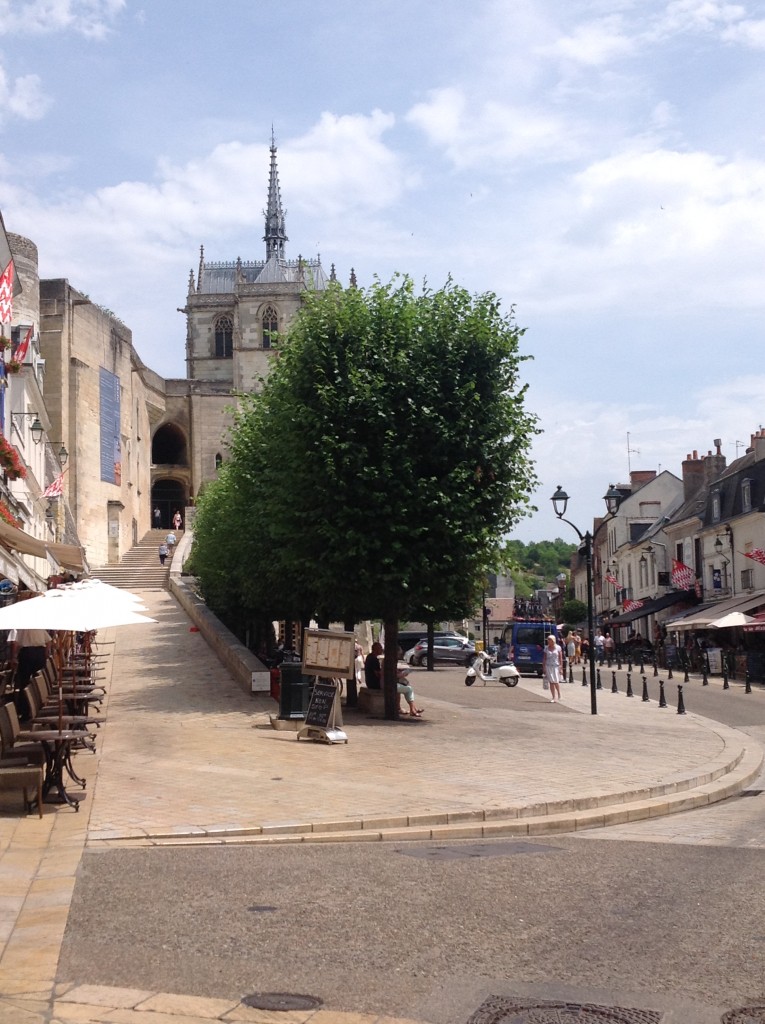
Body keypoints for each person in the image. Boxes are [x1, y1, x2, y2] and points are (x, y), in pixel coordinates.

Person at [9, 627, 52, 718]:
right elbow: (48, 641)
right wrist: (45, 653)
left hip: (27, 653)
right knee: (38, 683)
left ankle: (25, 711)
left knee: (24, 683)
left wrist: (13, 657)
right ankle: (39, 707)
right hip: (39, 653)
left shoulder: (20, 627)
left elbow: (14, 642)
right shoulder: (39, 627)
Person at [543, 633, 562, 704]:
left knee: (556, 681)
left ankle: (559, 693)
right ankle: (553, 697)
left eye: (549, 640)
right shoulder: (546, 648)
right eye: (548, 640)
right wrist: (544, 667)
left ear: (553, 640)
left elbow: (560, 658)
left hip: (556, 666)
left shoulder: (558, 647)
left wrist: (561, 667)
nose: (548, 641)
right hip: (548, 666)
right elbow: (544, 658)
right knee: (551, 681)